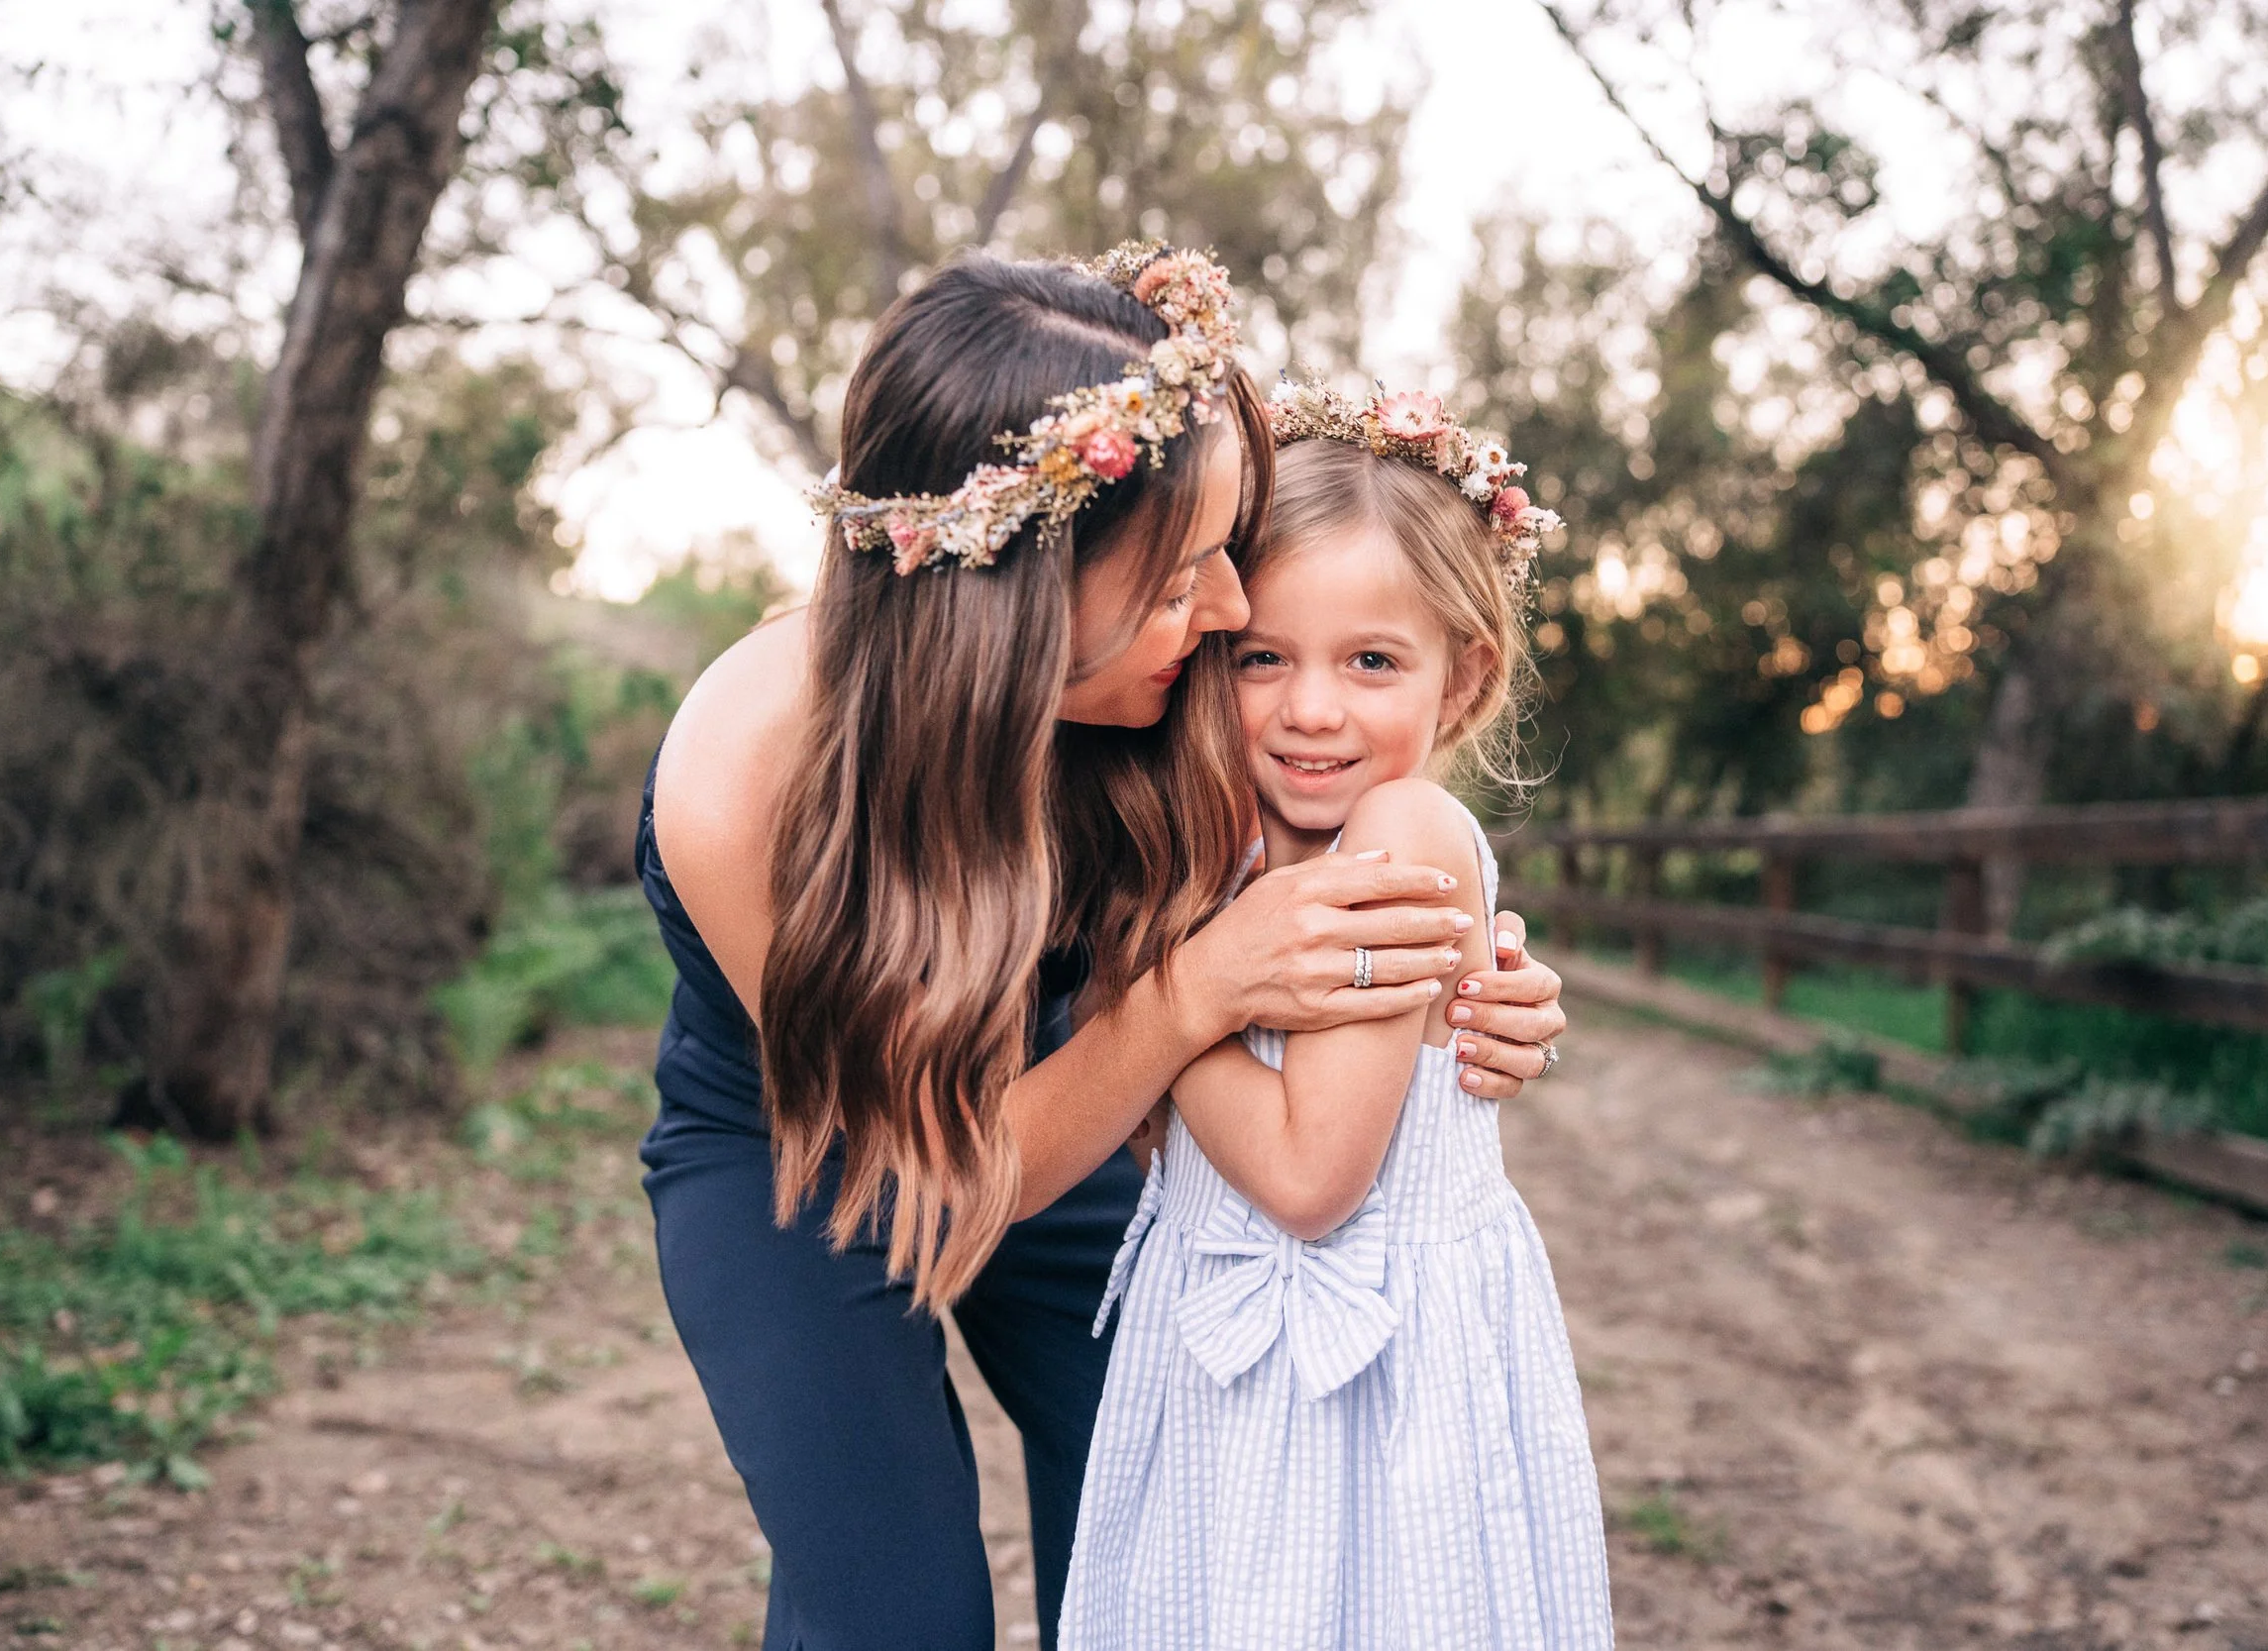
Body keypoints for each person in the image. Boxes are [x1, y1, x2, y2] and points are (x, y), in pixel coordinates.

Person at [635, 246, 1571, 1650]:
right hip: (812, 1142)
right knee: (895, 1608)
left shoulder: (1159, 658)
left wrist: (1457, 976)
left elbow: (1325, 840)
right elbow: (943, 1171)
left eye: (1222, 555)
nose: (1231, 613)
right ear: (1019, 592)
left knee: (1163, 1522)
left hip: (1089, 1085)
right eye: (1187, 573)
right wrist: (1197, 991)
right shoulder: (741, 776)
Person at [1060, 378, 1615, 1649]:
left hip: (1370, 1398)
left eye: (1372, 661)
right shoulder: (1231, 846)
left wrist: (1146, 978)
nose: (1313, 708)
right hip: (1223, 1374)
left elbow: (1311, 1177)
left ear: (1463, 675)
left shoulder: (1401, 829)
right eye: (1265, 658)